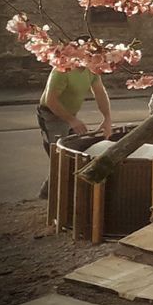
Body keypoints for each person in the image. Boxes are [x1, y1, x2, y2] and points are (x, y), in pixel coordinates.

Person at [36, 44, 113, 199]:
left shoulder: (92, 70)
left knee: (72, 156)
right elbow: (51, 101)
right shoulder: (62, 69)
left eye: (95, 56)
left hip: (70, 114)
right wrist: (72, 121)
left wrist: (107, 119)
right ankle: (50, 196)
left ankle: (52, 194)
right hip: (50, 115)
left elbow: (100, 93)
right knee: (61, 157)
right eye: (89, 54)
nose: (94, 59)